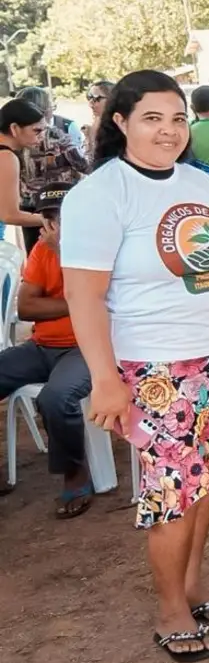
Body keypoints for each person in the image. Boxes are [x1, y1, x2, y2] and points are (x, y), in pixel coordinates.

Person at [62, 70, 209, 662]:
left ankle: (192, 586)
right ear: (119, 122)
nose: (168, 131)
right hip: (154, 369)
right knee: (171, 494)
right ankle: (171, 610)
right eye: (151, 118)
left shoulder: (198, 182)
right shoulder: (100, 194)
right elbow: (83, 295)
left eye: (176, 118)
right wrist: (105, 379)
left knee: (201, 484)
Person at [0, 183, 93, 517]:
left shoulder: (98, 246)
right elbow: (27, 307)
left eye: (59, 217)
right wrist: (75, 303)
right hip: (42, 345)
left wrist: (66, 258)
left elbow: (99, 300)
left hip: (86, 347)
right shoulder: (43, 250)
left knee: (56, 397)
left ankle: (75, 471)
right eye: (48, 218)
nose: (52, 225)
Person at [16, 87, 89, 255]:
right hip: (58, 204)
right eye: (50, 105)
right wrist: (91, 141)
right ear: (43, 109)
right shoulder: (57, 135)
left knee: (35, 255)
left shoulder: (15, 136)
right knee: (63, 255)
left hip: (28, 206)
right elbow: (84, 166)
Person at [0, 100, 47, 238]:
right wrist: (52, 219)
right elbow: (9, 215)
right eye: (37, 130)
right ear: (14, 128)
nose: (42, 137)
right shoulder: (6, 157)